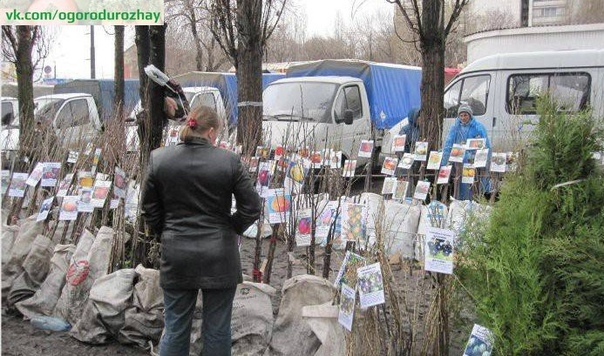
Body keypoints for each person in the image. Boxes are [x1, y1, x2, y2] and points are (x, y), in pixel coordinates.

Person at [141, 106, 261, 356]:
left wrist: (167, 232)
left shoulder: (159, 159)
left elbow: (148, 210)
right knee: (217, 330)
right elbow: (252, 207)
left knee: (175, 328)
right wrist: (231, 228)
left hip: (177, 255)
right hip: (219, 256)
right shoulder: (229, 161)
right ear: (212, 131)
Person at [441, 104, 491, 200]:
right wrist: (445, 161)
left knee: (473, 183)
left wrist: (482, 158)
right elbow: (448, 144)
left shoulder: (478, 127)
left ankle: (474, 200)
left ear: (470, 115)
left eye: (465, 115)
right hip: (459, 163)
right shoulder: (455, 128)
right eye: (461, 115)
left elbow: (486, 145)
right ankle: (461, 201)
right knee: (460, 183)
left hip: (473, 162)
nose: (463, 118)